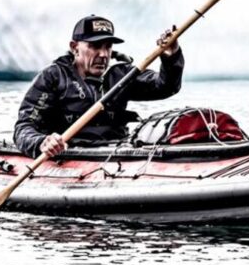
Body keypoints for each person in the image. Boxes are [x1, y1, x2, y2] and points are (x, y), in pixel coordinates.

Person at [14, 15, 184, 158]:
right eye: (95, 46)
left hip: (117, 152)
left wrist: (171, 55)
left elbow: (166, 86)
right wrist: (41, 142)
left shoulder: (123, 75)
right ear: (75, 47)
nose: (103, 54)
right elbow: (23, 127)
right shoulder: (53, 77)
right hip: (70, 155)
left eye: (108, 46)